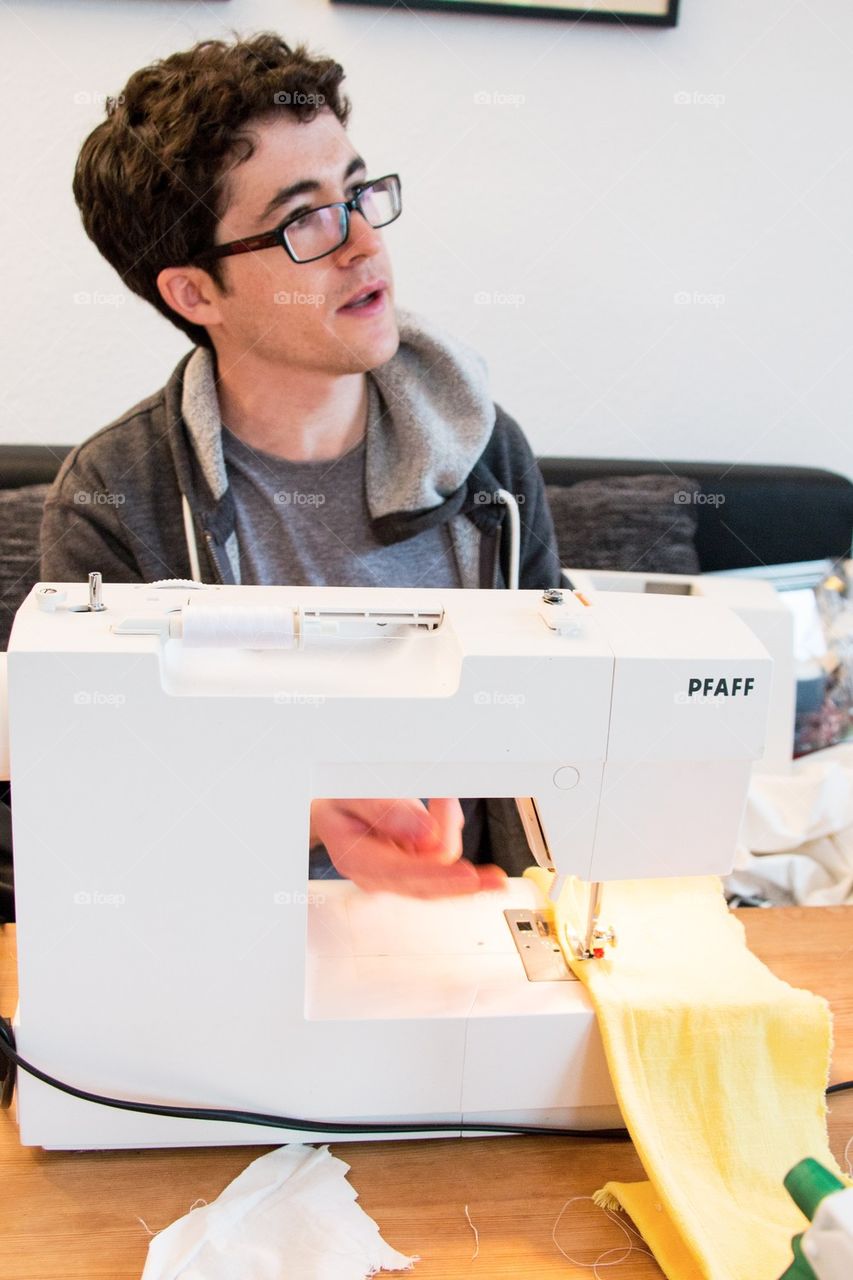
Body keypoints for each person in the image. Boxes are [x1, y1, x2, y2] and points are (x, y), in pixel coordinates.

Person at [40, 33, 561, 898]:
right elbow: (101, 790)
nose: (362, 245)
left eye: (357, 193)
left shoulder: (485, 456)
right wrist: (301, 806)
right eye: (302, 220)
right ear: (194, 293)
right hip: (222, 931)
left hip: (462, 926)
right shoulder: (112, 499)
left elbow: (548, 726)